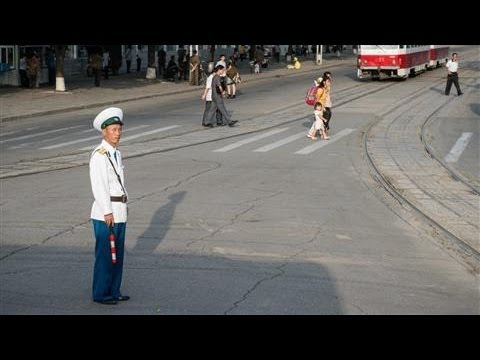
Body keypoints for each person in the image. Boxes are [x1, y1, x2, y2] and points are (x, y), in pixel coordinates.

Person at [89, 107, 130, 305]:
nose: (117, 133)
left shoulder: (116, 153)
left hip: (119, 211)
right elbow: (99, 185)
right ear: (104, 132)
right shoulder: (99, 155)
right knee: (106, 255)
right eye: (113, 129)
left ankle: (114, 290)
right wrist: (107, 211)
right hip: (106, 213)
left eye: (119, 129)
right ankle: (101, 293)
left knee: (118, 255)